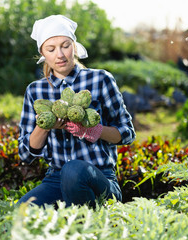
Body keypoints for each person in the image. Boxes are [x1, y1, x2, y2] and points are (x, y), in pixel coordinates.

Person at [17, 15, 136, 207]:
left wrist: (94, 131)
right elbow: (26, 154)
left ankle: (87, 228)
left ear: (75, 46)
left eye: (65, 45)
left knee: (73, 170)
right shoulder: (36, 91)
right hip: (55, 179)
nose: (60, 55)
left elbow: (127, 134)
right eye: (51, 49)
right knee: (19, 215)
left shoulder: (100, 80)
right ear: (42, 53)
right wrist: (45, 126)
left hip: (98, 179)